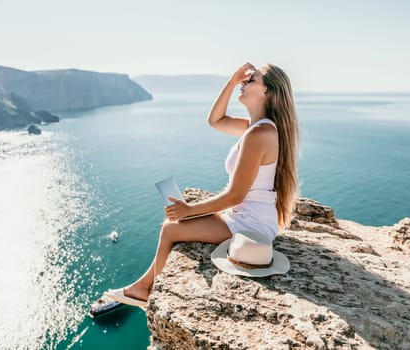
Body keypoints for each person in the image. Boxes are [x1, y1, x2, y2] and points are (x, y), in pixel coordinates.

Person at [105, 63, 300, 307]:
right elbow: (215, 120)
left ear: (266, 92)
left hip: (250, 223)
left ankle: (144, 289)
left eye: (251, 80)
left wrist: (189, 210)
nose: (243, 82)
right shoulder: (256, 128)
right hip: (248, 216)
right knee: (175, 222)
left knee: (171, 228)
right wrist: (231, 82)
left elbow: (236, 195)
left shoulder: (259, 134)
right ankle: (143, 287)